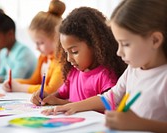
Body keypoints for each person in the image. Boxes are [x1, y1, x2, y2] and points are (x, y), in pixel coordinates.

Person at [41, 0, 167, 132]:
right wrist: (74, 106)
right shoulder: (133, 70)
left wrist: (139, 124)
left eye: (126, 44)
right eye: (118, 44)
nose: (119, 52)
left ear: (155, 40)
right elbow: (109, 97)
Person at [31, 7, 127, 106]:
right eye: (66, 52)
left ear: (95, 45)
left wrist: (62, 103)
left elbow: (106, 106)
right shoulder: (73, 72)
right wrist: (46, 97)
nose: (69, 59)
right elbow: (60, 94)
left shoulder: (105, 76)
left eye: (74, 51)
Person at [2, 0, 65, 94]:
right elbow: (34, 81)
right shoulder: (43, 58)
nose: (36, 47)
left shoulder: (61, 62)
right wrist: (13, 82)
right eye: (35, 43)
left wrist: (19, 87)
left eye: (40, 43)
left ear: (57, 38)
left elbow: (50, 90)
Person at [0, 9, 37, 83]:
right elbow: (2, 74)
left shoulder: (24, 53)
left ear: (10, 34)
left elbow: (15, 79)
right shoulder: (3, 52)